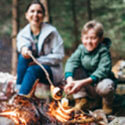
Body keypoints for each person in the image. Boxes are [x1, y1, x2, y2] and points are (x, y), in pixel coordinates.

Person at [64, 20, 117, 114]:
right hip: (87, 86)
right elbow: (71, 62)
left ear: (100, 39)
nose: (89, 41)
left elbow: (102, 71)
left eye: (93, 38)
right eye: (86, 38)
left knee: (107, 86)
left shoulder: (103, 51)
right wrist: (70, 81)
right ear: (82, 38)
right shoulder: (81, 49)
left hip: (99, 84)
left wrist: (81, 83)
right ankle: (82, 100)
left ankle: (107, 104)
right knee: (74, 70)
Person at [16, 0, 64, 96]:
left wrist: (38, 61)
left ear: (43, 15)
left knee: (33, 69)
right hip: (32, 68)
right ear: (26, 15)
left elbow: (59, 56)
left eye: (39, 12)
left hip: (51, 71)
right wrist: (24, 49)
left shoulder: (52, 32)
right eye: (32, 11)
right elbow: (22, 44)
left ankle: (21, 98)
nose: (35, 15)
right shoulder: (23, 33)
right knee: (23, 57)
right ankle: (19, 88)